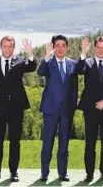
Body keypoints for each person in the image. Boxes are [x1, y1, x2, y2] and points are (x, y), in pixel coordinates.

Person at [0, 36, 36, 182]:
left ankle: (14, 172)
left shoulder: (20, 62)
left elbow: (32, 67)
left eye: (10, 46)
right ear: (1, 47)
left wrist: (30, 54)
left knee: (15, 141)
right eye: (5, 46)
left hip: (16, 108)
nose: (7, 49)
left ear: (14, 48)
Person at [76, 36, 103, 183]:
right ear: (94, 48)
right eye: (98, 47)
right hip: (91, 110)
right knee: (90, 143)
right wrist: (83, 52)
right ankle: (89, 173)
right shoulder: (87, 63)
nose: (100, 50)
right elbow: (78, 70)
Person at [37, 35, 78, 182]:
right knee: (47, 142)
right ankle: (44, 173)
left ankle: (62, 172)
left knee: (64, 143)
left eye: (63, 45)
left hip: (67, 111)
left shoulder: (73, 64)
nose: (60, 48)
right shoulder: (48, 63)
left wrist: (73, 106)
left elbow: (75, 88)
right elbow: (40, 72)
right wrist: (46, 57)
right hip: (50, 109)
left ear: (66, 47)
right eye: (57, 45)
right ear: (53, 47)